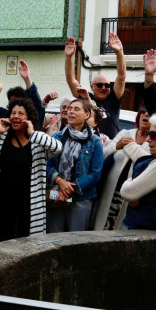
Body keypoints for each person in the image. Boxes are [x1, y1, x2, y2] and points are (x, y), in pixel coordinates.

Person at [0, 97, 63, 244]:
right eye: (13, 113)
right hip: (3, 200)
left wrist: (33, 133)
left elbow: (57, 148)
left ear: (29, 119)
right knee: (3, 240)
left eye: (21, 114)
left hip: (29, 201)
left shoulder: (37, 141)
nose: (16, 116)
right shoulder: (0, 139)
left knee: (26, 241)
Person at [45, 99, 103, 232]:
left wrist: (69, 190)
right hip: (56, 195)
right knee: (52, 241)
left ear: (87, 115)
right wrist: (60, 183)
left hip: (80, 198)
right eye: (70, 108)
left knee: (75, 242)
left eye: (76, 109)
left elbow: (95, 173)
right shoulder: (56, 138)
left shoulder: (95, 142)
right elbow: (47, 166)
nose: (70, 111)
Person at [92, 106, 152, 230]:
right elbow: (103, 154)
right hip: (111, 188)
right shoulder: (125, 133)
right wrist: (117, 146)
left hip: (131, 193)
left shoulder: (153, 141)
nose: (145, 115)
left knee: (121, 227)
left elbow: (149, 163)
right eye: (142, 112)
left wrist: (131, 146)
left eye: (149, 113)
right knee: (103, 223)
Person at [65, 34, 126, 138]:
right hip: (89, 146)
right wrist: (69, 57)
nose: (103, 88)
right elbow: (71, 80)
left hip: (109, 149)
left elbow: (121, 76)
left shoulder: (113, 100)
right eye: (99, 85)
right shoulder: (85, 98)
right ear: (92, 86)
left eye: (106, 85)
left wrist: (119, 52)